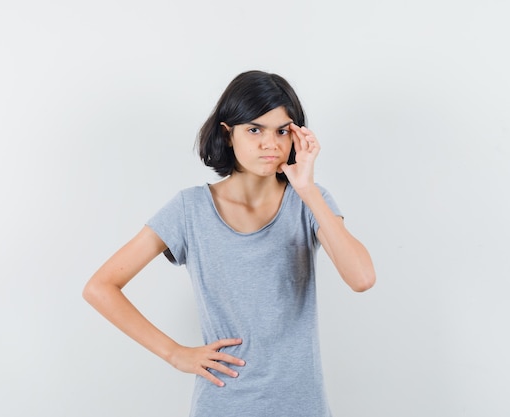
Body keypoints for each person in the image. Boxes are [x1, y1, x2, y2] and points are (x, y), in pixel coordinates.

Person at [83, 70, 376, 416]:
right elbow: (100, 287)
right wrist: (175, 354)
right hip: (223, 403)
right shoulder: (189, 209)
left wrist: (308, 189)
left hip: (301, 405)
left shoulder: (308, 202)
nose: (271, 144)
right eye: (255, 130)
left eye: (282, 130)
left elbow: (361, 278)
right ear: (228, 134)